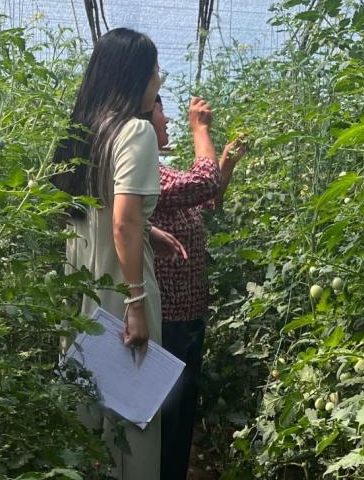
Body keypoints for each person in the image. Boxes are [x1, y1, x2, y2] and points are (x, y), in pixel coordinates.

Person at [51, 28, 186, 480]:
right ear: (134, 77)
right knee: (132, 415)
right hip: (121, 291)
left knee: (85, 412)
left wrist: (149, 230)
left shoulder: (84, 133)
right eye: (154, 72)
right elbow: (123, 220)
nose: (158, 81)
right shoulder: (136, 131)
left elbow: (99, 211)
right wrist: (137, 304)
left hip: (83, 291)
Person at [146, 94, 247, 480]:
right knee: (168, 413)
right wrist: (201, 129)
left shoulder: (160, 173)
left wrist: (226, 164)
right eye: (160, 110)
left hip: (187, 315)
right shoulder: (147, 174)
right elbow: (202, 184)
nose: (167, 119)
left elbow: (204, 203)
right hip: (166, 318)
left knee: (181, 409)